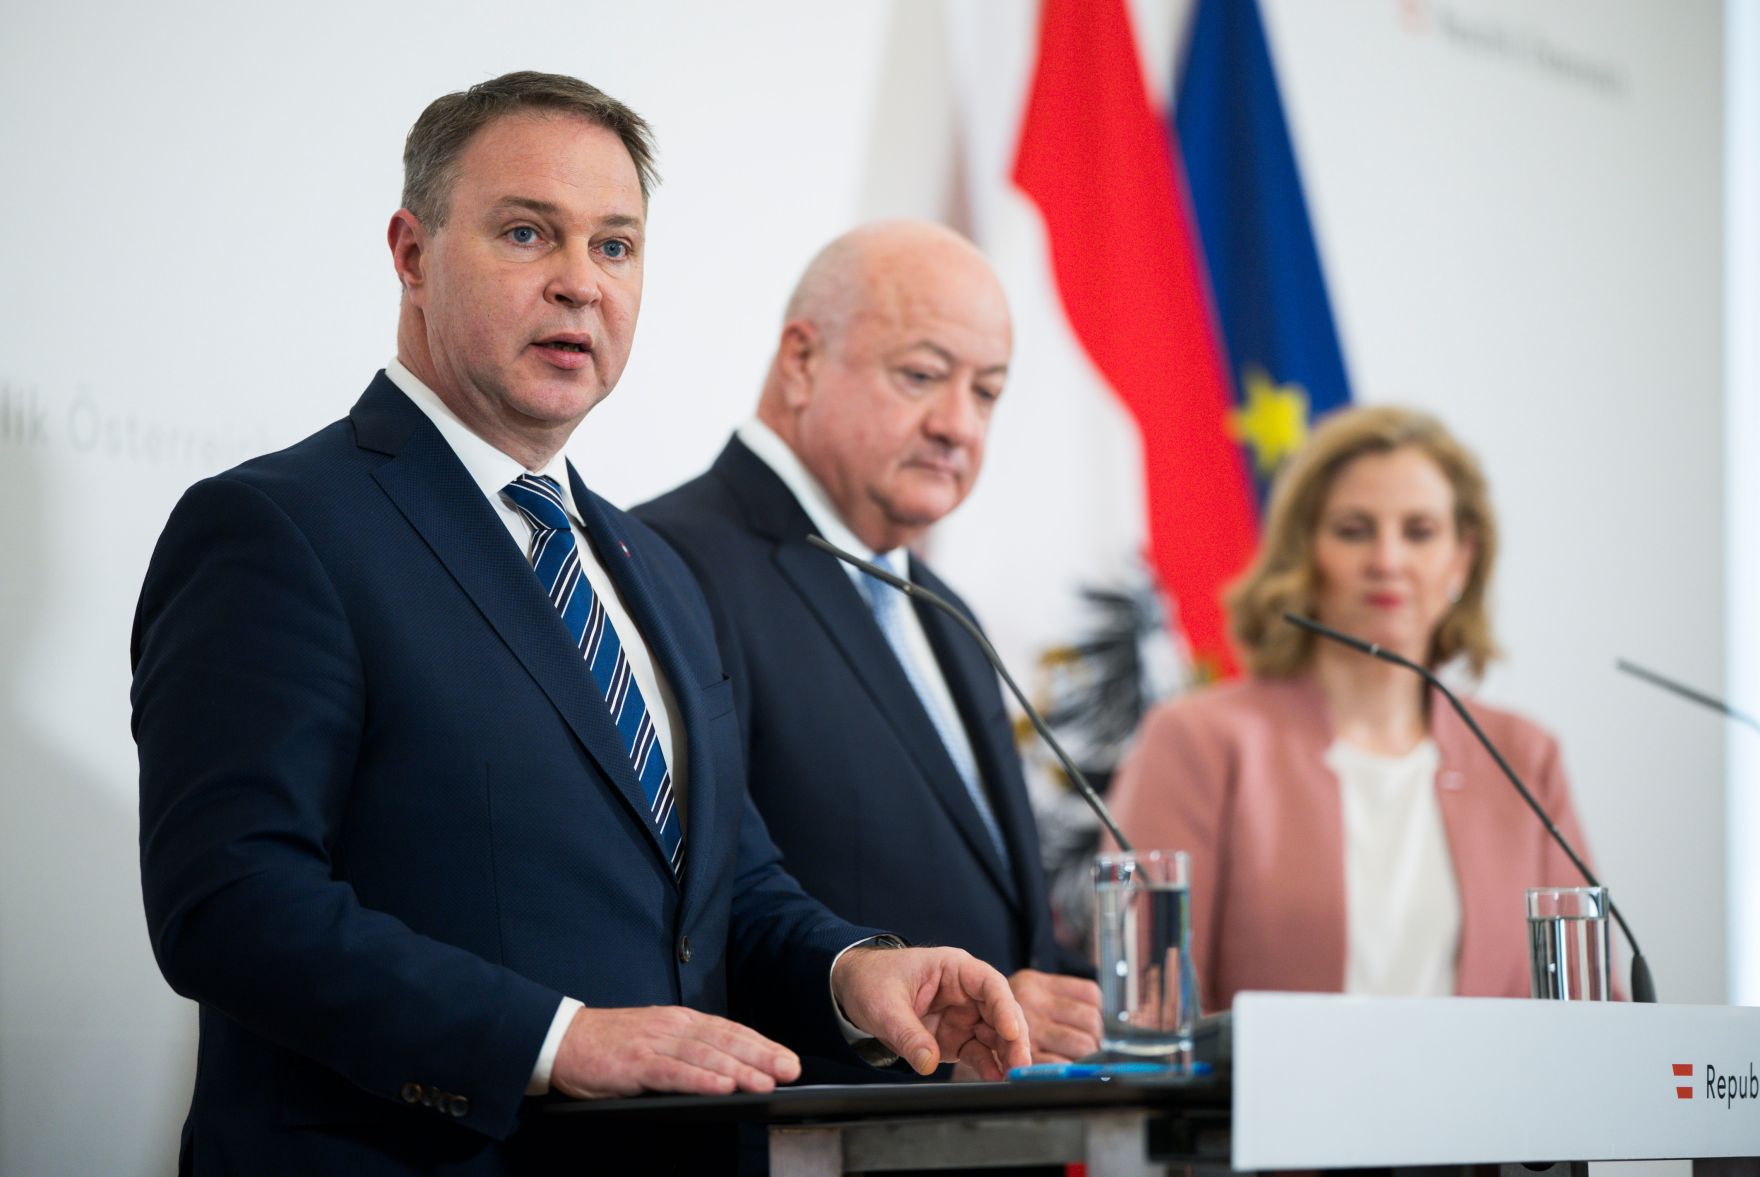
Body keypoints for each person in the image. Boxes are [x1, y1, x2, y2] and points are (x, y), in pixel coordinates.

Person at [131, 73, 1028, 1176]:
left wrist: (853, 972)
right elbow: (230, 905)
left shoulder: (647, 563)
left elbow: (728, 886)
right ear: (411, 253)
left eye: (615, 247)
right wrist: (555, 1039)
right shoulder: (277, 529)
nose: (579, 285)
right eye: (526, 234)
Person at [635, 221, 1100, 1078]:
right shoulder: (667, 562)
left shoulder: (939, 605)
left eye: (988, 392)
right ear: (803, 361)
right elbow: (700, 907)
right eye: (922, 375)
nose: (957, 425)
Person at [1108, 405, 1602, 1011]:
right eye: (1353, 530)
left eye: (1419, 532)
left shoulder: (1524, 756)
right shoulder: (1196, 740)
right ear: (1303, 550)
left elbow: (1587, 1009)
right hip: (1258, 1107)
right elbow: (1147, 1007)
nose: (1387, 560)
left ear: (1461, 558)